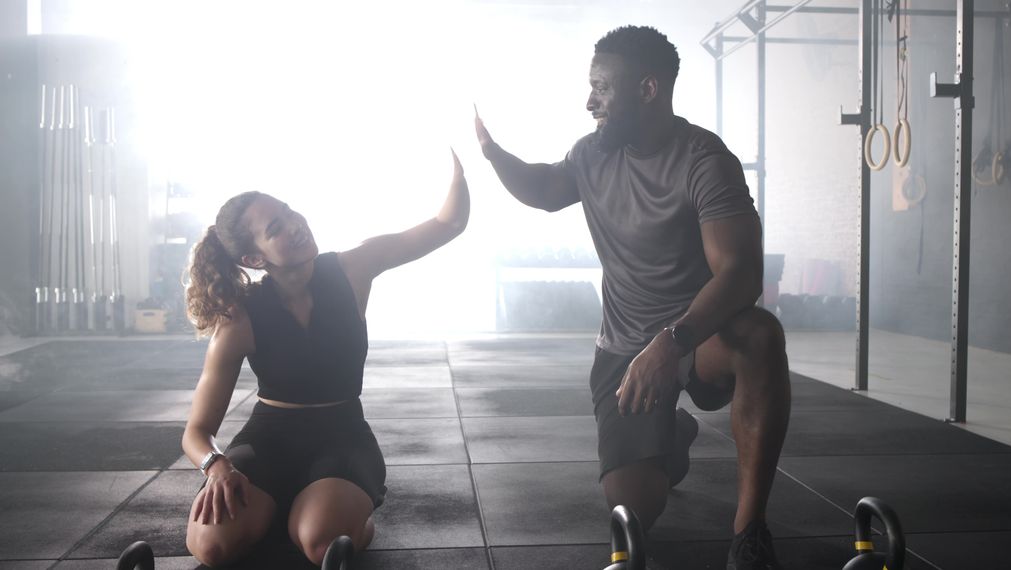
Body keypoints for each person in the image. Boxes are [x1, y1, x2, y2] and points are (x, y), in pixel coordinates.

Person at [474, 26, 790, 570]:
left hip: (699, 335)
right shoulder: (593, 153)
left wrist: (672, 341)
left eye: (601, 87)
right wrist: (491, 152)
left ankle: (749, 530)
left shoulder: (704, 160)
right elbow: (548, 190)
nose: (588, 101)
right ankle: (673, 438)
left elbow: (741, 274)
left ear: (648, 88)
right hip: (624, 345)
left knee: (761, 335)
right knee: (633, 511)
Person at [180, 152, 470, 566]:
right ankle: (285, 512)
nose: (296, 224)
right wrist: (217, 467)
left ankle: (337, 515)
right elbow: (196, 431)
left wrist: (463, 168)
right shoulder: (239, 319)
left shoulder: (353, 269)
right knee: (211, 547)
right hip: (267, 441)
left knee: (321, 544)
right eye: (276, 228)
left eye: (288, 212)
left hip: (342, 436)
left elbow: (447, 224)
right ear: (254, 259)